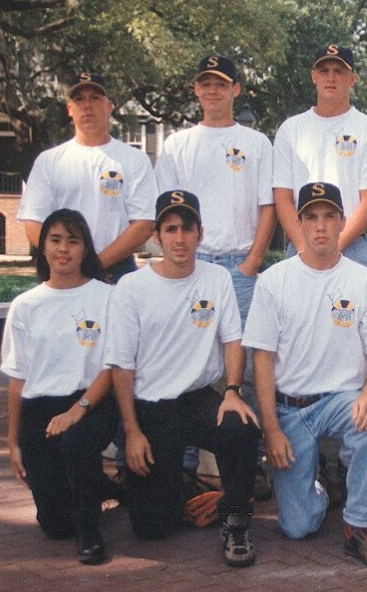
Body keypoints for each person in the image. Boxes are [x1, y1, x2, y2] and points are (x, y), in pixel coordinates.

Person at [243, 182, 367, 572]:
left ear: (344, 221)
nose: (321, 225)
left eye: (330, 215)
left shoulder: (363, 282)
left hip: (340, 402)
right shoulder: (274, 281)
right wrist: (271, 430)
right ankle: (320, 489)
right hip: (290, 408)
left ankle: (359, 524)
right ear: (299, 223)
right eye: (311, 216)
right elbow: (262, 362)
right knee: (298, 527)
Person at [104, 190, 261, 567]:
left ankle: (236, 520)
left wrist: (233, 392)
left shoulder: (217, 278)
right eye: (170, 229)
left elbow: (233, 340)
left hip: (198, 399)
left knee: (240, 425)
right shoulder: (132, 288)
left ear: (200, 233)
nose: (179, 238)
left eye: (187, 229)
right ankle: (182, 488)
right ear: (156, 235)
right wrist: (131, 431)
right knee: (153, 527)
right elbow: (120, 366)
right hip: (150, 410)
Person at [155, 54, 276, 500]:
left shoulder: (257, 142)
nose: (213, 91)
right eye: (205, 84)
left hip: (240, 261)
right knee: (185, 362)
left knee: (240, 369)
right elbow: (168, 210)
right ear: (196, 90)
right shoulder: (177, 145)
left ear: (235, 90)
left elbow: (267, 207)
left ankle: (249, 465)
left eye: (221, 84)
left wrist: (251, 263)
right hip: (194, 261)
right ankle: (183, 468)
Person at [2, 209, 118, 565]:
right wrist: (13, 440)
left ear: (85, 248)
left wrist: (76, 411)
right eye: (55, 239)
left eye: (72, 239)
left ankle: (90, 530)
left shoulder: (107, 297)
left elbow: (113, 366)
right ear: (42, 247)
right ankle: (103, 488)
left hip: (91, 401)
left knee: (77, 441)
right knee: (54, 525)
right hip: (40, 408)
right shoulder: (26, 306)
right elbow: (17, 378)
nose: (63, 248)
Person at [18, 73, 157, 282]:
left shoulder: (134, 160)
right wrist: (68, 261)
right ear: (69, 109)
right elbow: (33, 224)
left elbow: (144, 223)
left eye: (95, 98)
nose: (87, 105)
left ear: (109, 106)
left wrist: (96, 264)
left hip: (116, 271)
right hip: (61, 271)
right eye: (79, 99)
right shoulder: (48, 161)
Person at [272, 45, 367, 272]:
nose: (331, 78)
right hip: (302, 245)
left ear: (352, 79)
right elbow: (283, 198)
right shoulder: (291, 129)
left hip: (353, 246)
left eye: (339, 71)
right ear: (314, 76)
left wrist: (333, 248)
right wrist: (306, 248)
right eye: (324, 71)